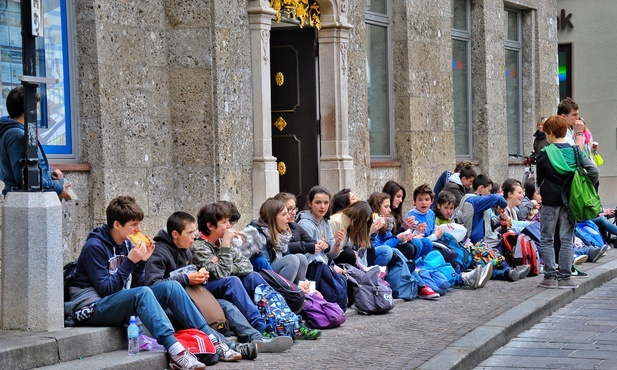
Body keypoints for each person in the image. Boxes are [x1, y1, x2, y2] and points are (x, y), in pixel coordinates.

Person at [68, 196, 218, 370]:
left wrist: (141, 263)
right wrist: (130, 262)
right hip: (90, 307)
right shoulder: (94, 246)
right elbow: (106, 290)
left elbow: (134, 287)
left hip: (115, 302)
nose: (138, 229)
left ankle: (212, 339)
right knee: (143, 293)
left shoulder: (125, 244)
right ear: (117, 224)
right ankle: (177, 352)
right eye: (133, 225)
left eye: (138, 224)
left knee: (172, 286)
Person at [144, 211, 292, 355]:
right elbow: (153, 285)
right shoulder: (159, 252)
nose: (193, 237)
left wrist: (201, 276)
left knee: (228, 306)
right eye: (189, 233)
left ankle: (257, 338)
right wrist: (187, 278)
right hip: (172, 307)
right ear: (175, 234)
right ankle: (230, 346)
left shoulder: (185, 249)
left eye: (194, 232)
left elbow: (243, 266)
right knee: (201, 316)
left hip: (195, 296)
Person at [191, 202, 321, 339]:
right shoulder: (199, 246)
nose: (229, 226)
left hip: (224, 281)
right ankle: (261, 327)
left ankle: (290, 321)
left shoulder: (220, 240)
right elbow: (221, 274)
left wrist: (227, 263)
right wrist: (226, 246)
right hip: (204, 289)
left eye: (229, 221)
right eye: (224, 222)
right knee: (233, 281)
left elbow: (246, 265)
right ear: (210, 226)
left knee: (253, 276)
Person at [536, 115, 599, 289]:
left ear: (549, 133)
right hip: (570, 201)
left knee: (547, 238)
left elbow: (538, 180)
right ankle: (565, 277)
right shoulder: (576, 152)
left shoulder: (545, 153)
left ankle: (549, 277)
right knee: (567, 239)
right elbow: (593, 170)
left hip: (549, 202)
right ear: (565, 131)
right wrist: (586, 184)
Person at [0, 86, 71, 199]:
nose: (37, 112)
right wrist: (58, 189)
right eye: (36, 108)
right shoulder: (18, 135)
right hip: (26, 201)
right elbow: (27, 178)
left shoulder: (10, 131)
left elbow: (27, 168)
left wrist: (48, 174)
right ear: (29, 110)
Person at [240, 198, 308, 285]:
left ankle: (298, 292)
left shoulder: (283, 234)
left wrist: (306, 283)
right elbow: (265, 267)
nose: (288, 217)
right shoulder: (259, 234)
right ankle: (285, 295)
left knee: (301, 258)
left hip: (275, 275)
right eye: (284, 214)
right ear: (272, 218)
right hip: (263, 278)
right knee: (292, 260)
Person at [296, 186, 343, 265]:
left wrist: (337, 243)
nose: (322, 207)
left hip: (324, 266)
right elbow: (306, 256)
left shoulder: (325, 222)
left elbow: (332, 255)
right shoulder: (305, 224)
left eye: (326, 203)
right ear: (310, 203)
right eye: (318, 202)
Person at [329, 188, 360, 265]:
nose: (358, 200)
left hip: (340, 253)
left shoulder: (350, 220)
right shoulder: (336, 220)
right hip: (333, 258)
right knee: (349, 254)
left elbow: (351, 244)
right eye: (353, 199)